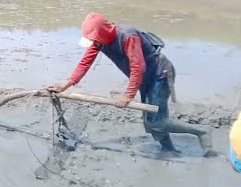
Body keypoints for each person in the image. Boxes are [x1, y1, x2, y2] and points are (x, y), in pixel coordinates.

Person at [47, 11, 214, 156]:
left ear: (102, 34)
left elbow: (138, 66)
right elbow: (85, 63)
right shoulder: (100, 42)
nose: (93, 44)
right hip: (144, 79)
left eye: (94, 40)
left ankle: (202, 131)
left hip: (159, 76)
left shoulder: (127, 36)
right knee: (150, 125)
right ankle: (169, 150)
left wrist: (128, 95)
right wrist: (65, 85)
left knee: (157, 122)